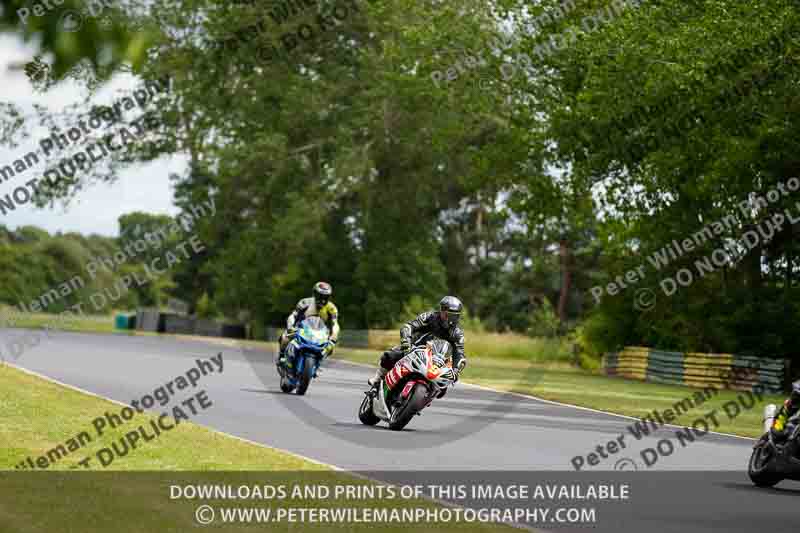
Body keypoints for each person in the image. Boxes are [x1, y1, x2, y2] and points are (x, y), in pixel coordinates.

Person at [368, 295, 467, 387]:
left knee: (443, 388)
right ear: (441, 311)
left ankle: (426, 395)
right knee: (391, 355)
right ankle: (378, 378)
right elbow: (408, 327)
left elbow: (460, 354)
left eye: (454, 317)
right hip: (415, 350)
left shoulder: (457, 334)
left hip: (438, 361)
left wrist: (455, 371)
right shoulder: (429, 317)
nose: (450, 320)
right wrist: (406, 342)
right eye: (447, 315)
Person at [278, 282, 340, 365]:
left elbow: (335, 324)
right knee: (285, 337)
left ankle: (317, 362)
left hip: (320, 332)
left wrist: (334, 336)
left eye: (326, 297)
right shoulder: (305, 303)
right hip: (300, 329)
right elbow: (292, 316)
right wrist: (290, 327)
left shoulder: (332, 308)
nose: (322, 300)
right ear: (314, 294)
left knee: (330, 348)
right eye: (320, 296)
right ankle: (281, 356)